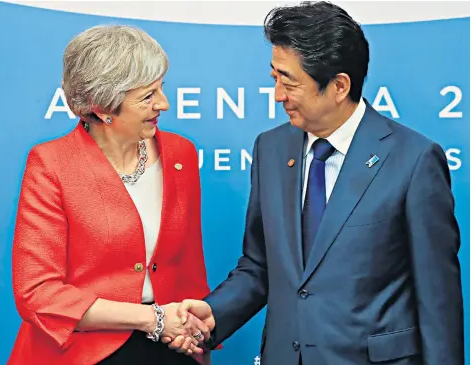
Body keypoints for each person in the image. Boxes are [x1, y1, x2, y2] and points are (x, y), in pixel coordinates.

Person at [171, 2, 465, 365]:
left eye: (289, 81)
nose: (278, 95)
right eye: (274, 77)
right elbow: (261, 265)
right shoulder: (271, 148)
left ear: (339, 85)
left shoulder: (414, 160)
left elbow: (438, 301)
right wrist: (214, 313)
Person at [8, 25, 216, 365]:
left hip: (170, 347)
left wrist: (196, 343)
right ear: (103, 107)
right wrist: (152, 319)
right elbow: (37, 294)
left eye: (161, 89)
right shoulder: (50, 164)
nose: (163, 103)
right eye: (148, 96)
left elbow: (190, 271)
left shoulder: (181, 154)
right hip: (80, 351)